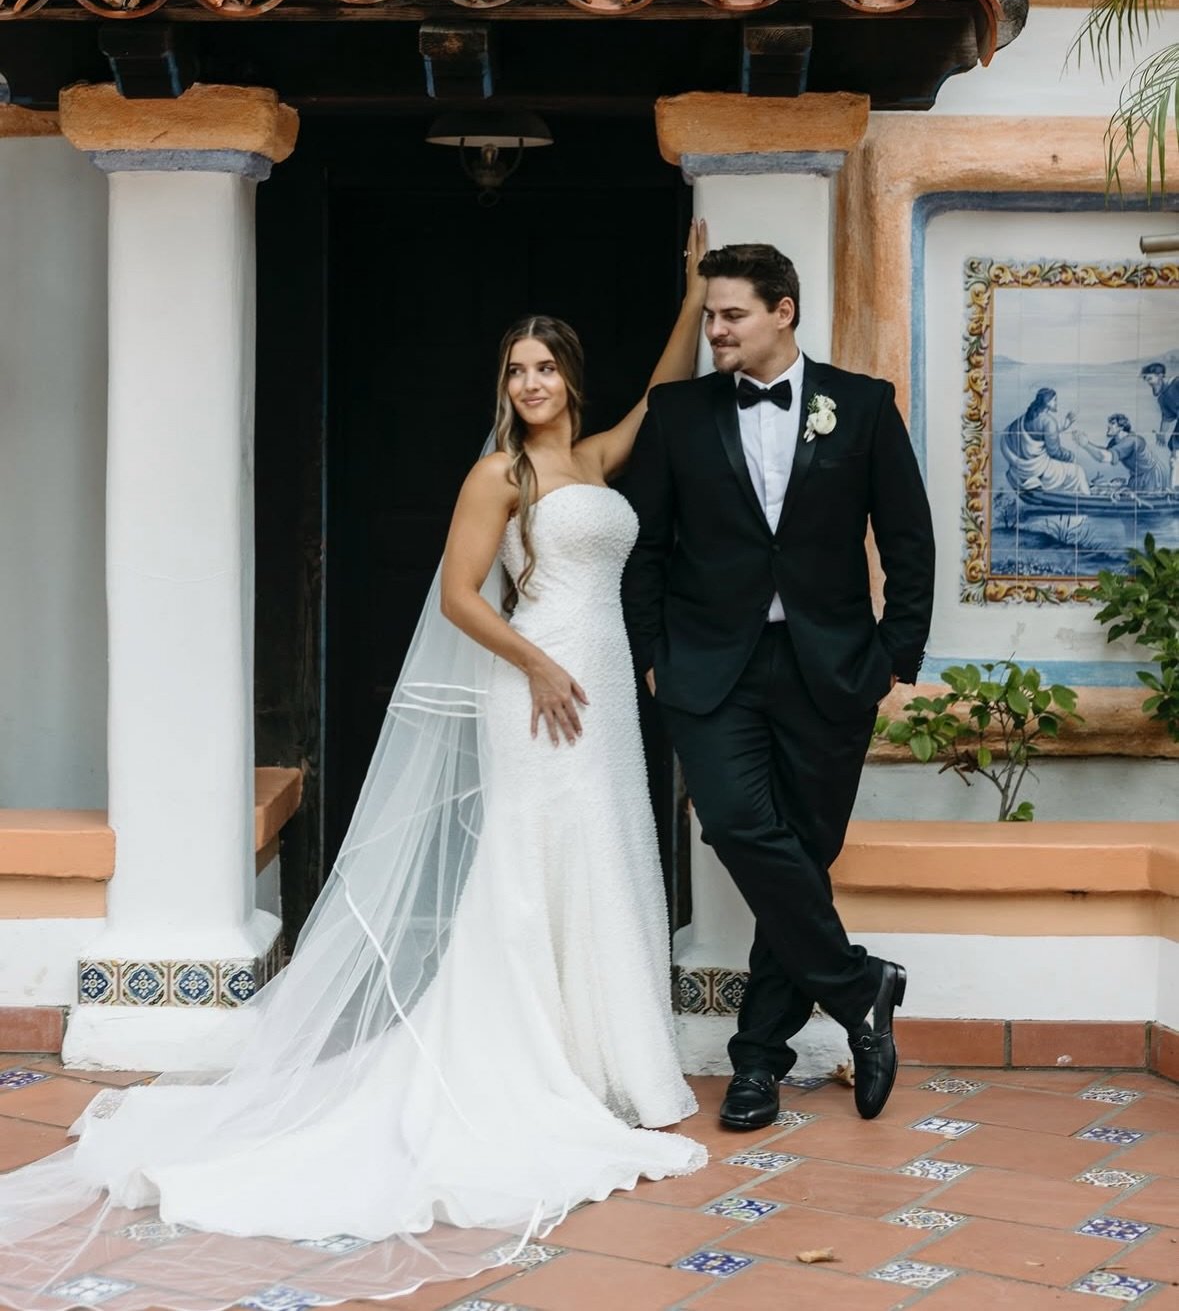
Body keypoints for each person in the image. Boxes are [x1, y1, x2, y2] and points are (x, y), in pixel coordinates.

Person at [0, 229, 712, 1311]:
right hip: (540, 686)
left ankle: (610, 1064)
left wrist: (693, 296)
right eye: (514, 369)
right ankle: (534, 1064)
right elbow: (464, 598)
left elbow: (662, 402)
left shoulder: (592, 460)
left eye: (544, 366)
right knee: (531, 866)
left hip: (603, 683)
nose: (529, 383)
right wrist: (537, 668)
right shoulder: (500, 473)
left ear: (570, 375)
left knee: (603, 849)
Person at [621, 242, 934, 1129]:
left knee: (797, 856)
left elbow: (907, 537)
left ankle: (755, 1062)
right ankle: (859, 984)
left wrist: (892, 656)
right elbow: (646, 547)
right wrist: (652, 654)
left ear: (782, 311)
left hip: (829, 669)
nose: (714, 329)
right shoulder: (676, 413)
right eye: (711, 314)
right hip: (708, 668)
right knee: (737, 825)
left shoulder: (862, 406)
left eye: (730, 315)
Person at [999, 387, 1089, 497]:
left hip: (1021, 470)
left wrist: (1066, 424)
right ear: (1047, 402)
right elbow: (1054, 452)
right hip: (1039, 470)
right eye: (1054, 400)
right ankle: (1087, 500)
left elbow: (1040, 432)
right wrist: (1070, 456)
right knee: (1078, 472)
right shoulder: (1049, 421)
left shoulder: (1025, 418)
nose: (1056, 403)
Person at [1074, 413, 1167, 493]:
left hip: (1151, 476)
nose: (1108, 426)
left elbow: (1104, 457)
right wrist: (1088, 443)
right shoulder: (1115, 442)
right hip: (1137, 476)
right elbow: (1105, 452)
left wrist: (1085, 445)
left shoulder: (1131, 441)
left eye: (1113, 423)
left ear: (1121, 427)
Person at [1141, 362, 1179, 488]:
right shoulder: (1162, 398)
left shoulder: (1176, 384)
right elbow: (1168, 417)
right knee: (1175, 458)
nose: (1149, 383)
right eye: (1146, 380)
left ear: (1160, 376)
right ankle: (1174, 491)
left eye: (1150, 378)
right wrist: (1162, 434)